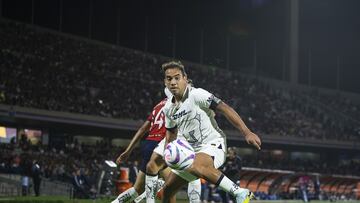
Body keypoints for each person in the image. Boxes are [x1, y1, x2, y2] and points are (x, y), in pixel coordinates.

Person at [159, 60, 261, 203]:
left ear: (185, 79)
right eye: (169, 79)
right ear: (165, 82)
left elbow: (225, 108)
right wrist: (167, 151)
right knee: (167, 191)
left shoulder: (197, 94)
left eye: (177, 77)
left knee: (197, 165)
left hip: (213, 144)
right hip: (190, 152)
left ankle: (241, 193)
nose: (173, 82)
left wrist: (247, 132)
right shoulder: (168, 108)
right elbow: (170, 133)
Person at [112, 96, 201, 203]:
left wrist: (128, 150)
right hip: (162, 145)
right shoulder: (178, 104)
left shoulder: (158, 106)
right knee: (166, 188)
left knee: (140, 189)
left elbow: (142, 129)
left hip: (149, 144)